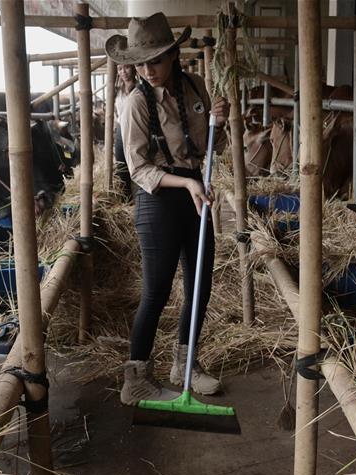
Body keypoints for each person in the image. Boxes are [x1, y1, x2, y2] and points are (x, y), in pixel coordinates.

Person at [105, 12, 228, 406]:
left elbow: (213, 147)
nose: (147, 69)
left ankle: (185, 364)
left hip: (195, 191)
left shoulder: (194, 87)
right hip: (158, 198)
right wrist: (189, 182)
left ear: (173, 54)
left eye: (154, 60)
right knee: (156, 290)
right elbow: (139, 168)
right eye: (140, 62)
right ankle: (136, 377)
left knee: (199, 284)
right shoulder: (136, 103)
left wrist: (219, 124)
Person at [113, 63, 137, 198]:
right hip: (121, 130)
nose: (123, 72)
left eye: (126, 67)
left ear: (133, 68)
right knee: (121, 165)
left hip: (135, 129)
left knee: (136, 162)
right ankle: (126, 198)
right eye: (120, 69)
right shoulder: (117, 90)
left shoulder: (140, 88)